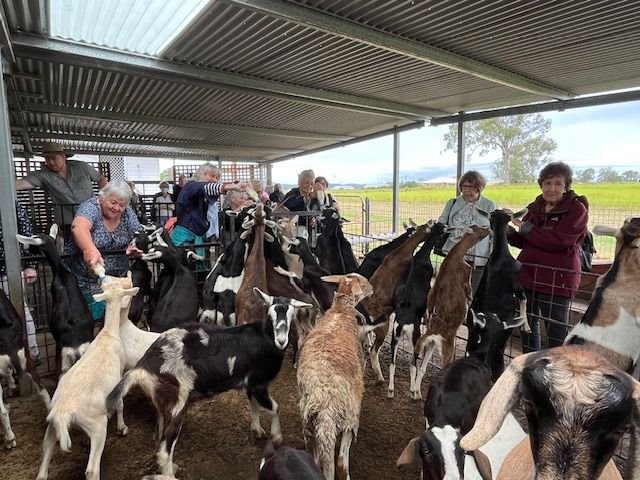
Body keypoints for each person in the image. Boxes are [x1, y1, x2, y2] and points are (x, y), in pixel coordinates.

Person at [507, 161, 588, 352]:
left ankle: (554, 373)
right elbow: (524, 240)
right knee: (527, 325)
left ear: (566, 186)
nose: (552, 189)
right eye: (547, 183)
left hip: (558, 280)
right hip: (527, 277)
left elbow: (560, 241)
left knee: (556, 331)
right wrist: (507, 231)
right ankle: (530, 366)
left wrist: (523, 226)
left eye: (558, 184)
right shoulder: (535, 207)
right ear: (541, 185)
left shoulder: (576, 210)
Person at [63, 180, 143, 320]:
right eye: (113, 202)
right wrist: (90, 249)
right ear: (101, 198)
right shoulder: (90, 207)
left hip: (117, 278)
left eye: (122, 205)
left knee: (115, 317)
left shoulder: (128, 214)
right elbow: (79, 227)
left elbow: (138, 234)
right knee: (87, 318)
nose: (117, 208)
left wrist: (134, 245)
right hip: (87, 278)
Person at [15, 142, 108, 239]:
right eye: (47, 159)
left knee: (96, 244)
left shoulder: (81, 167)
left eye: (54, 158)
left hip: (92, 217)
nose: (50, 162)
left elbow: (101, 179)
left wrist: (103, 199)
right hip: (67, 222)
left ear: (63, 156)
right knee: (71, 249)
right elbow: (21, 183)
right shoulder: (42, 175)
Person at [438, 171, 497, 294]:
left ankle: (470, 312)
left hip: (478, 256)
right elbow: (442, 222)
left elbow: (494, 233)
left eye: (471, 187)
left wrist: (492, 255)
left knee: (473, 291)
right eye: (464, 187)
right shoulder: (452, 203)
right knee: (451, 289)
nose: (467, 190)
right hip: (454, 253)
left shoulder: (489, 205)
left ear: (479, 187)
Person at [0, 202, 41, 363]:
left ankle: (31, 353)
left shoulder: (11, 205)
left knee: (19, 310)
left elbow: (27, 234)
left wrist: (30, 265)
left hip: (9, 270)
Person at [171, 163, 246, 248]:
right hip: (185, 237)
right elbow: (207, 187)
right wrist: (233, 186)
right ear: (202, 174)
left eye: (217, 178)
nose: (215, 180)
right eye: (212, 176)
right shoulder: (192, 186)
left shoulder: (199, 191)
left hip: (197, 236)